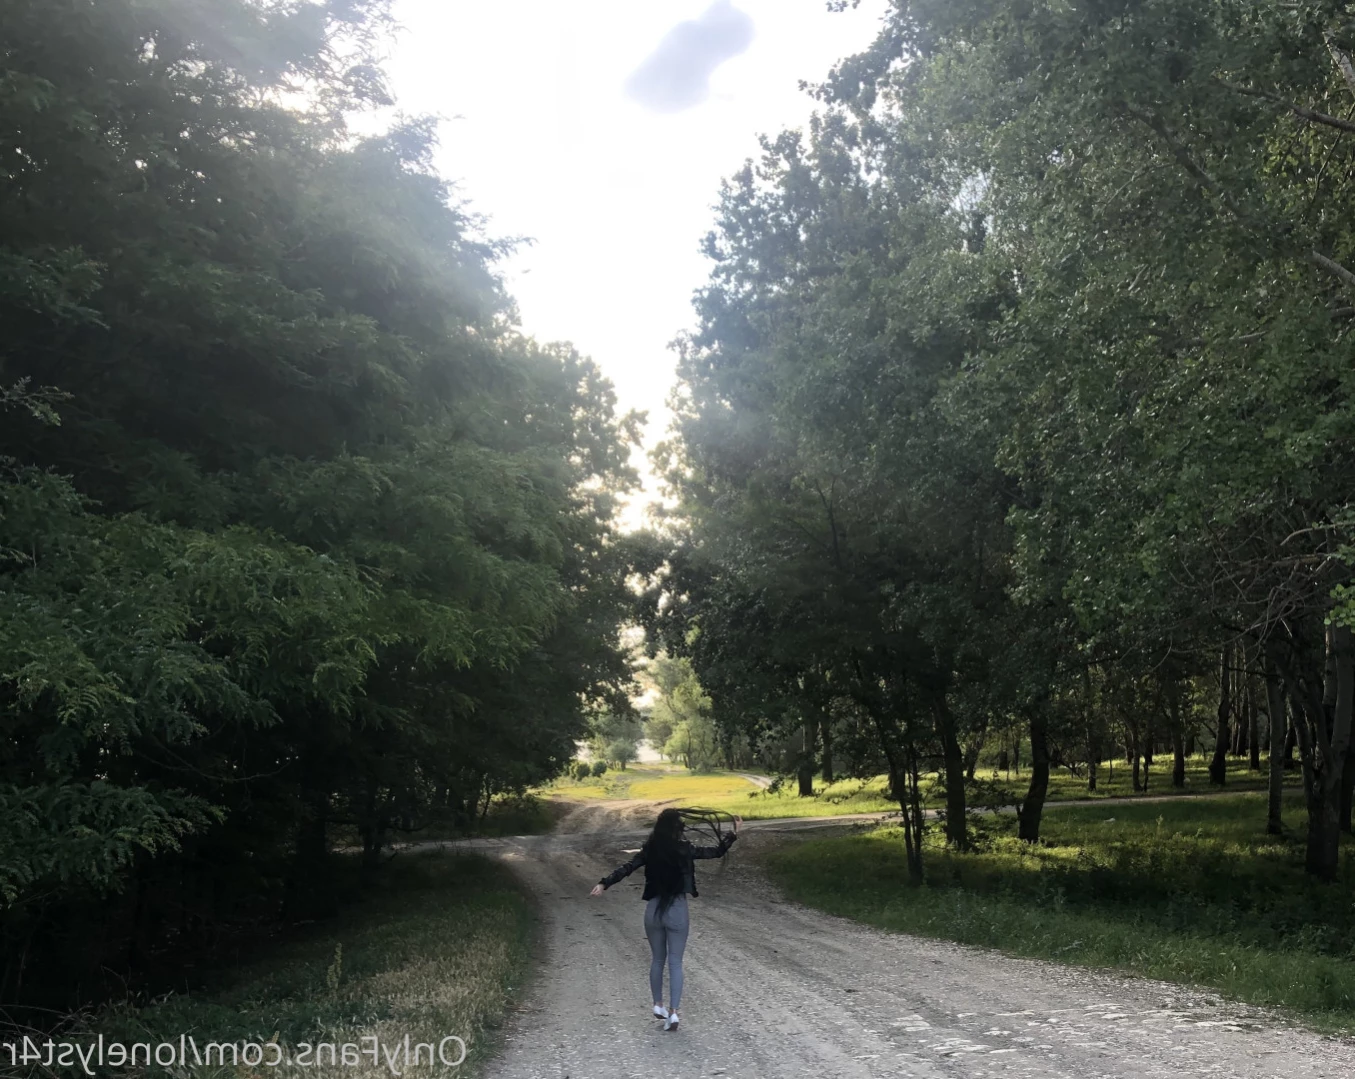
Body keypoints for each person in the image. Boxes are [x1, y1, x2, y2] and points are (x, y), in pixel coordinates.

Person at [589, 808, 740, 1031]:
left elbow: (627, 867)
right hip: (677, 910)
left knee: (657, 959)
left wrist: (604, 883)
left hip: (653, 910)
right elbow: (716, 852)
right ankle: (673, 1013)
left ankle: (658, 1005)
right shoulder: (685, 849)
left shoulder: (650, 850)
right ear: (677, 828)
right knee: (675, 962)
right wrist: (732, 835)